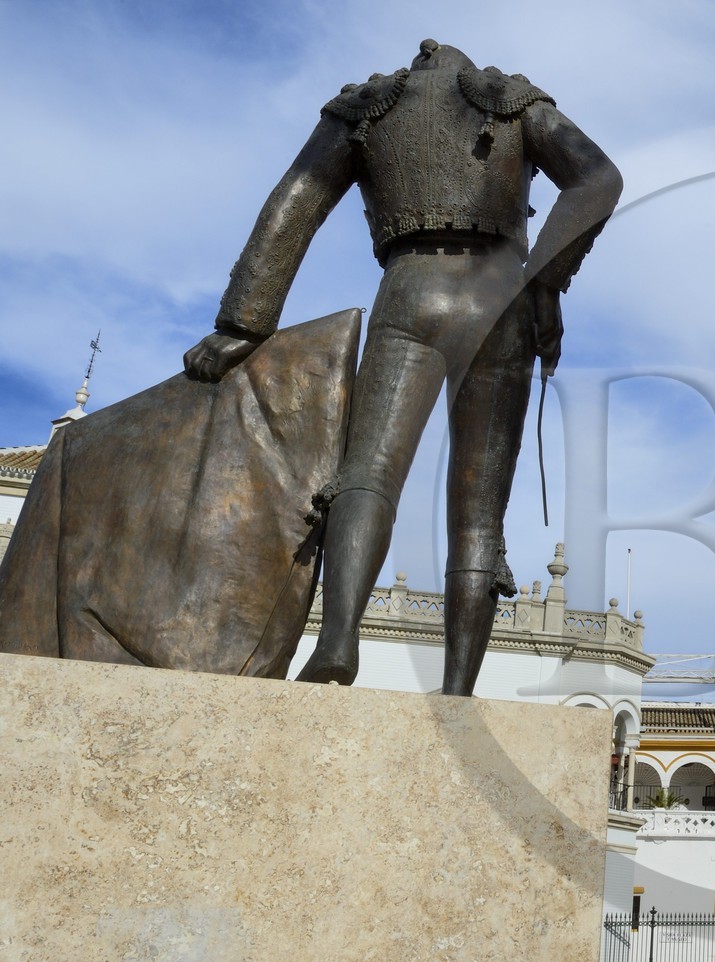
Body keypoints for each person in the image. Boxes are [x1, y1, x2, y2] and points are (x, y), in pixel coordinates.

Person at [183, 40, 622, 695]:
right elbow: (599, 178)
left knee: (368, 476)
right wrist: (545, 284)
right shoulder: (514, 103)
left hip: (411, 288)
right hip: (498, 296)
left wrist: (241, 323)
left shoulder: (366, 110)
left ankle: (338, 640)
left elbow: (294, 202)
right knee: (477, 517)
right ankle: (457, 691)